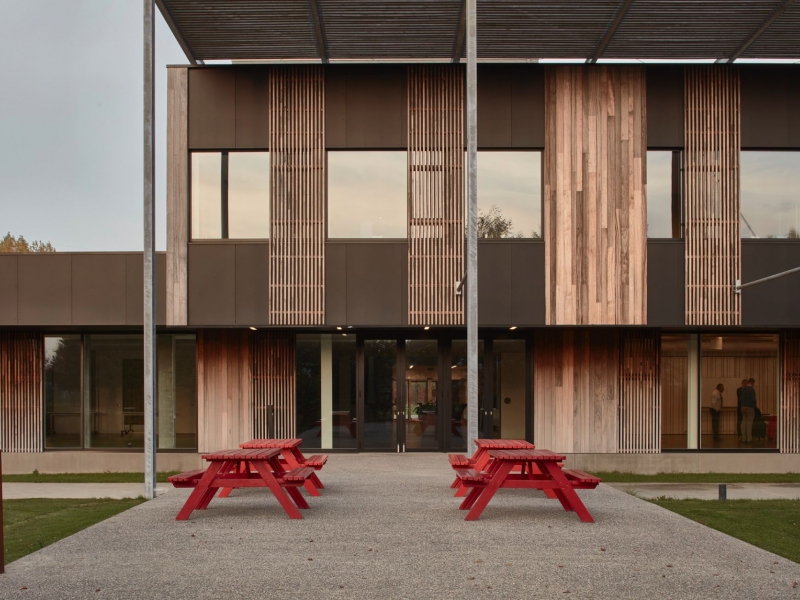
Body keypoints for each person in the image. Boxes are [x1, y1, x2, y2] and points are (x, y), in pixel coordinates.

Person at [740, 378, 757, 443]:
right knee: (749, 423)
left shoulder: (742, 389)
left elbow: (740, 399)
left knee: (744, 422)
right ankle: (749, 438)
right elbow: (753, 399)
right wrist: (754, 403)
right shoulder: (751, 390)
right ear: (752, 383)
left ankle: (744, 438)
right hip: (749, 407)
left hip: (742, 407)